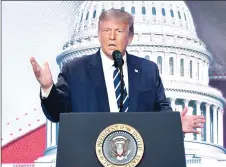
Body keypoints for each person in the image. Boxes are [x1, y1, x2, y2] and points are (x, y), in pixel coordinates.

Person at [30, 9, 205, 134]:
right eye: (106, 31)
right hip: (89, 160)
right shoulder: (75, 70)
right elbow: (56, 113)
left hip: (140, 158)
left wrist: (173, 123)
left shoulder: (147, 70)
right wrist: (48, 88)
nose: (111, 37)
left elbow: (160, 109)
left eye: (119, 31)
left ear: (130, 37)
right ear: (99, 34)